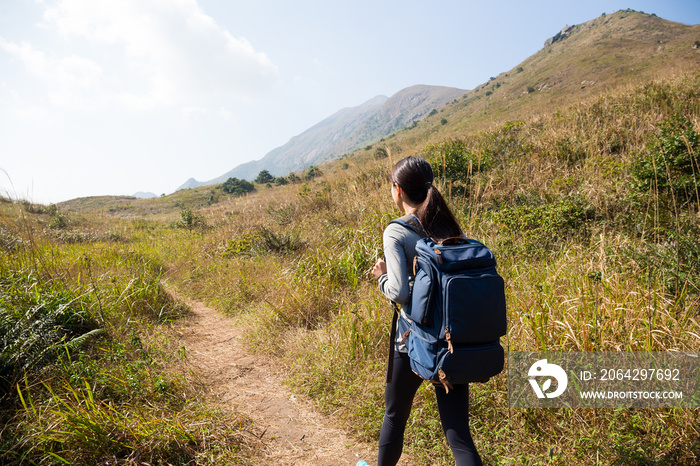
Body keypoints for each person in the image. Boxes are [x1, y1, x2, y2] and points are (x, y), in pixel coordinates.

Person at [369, 156, 482, 466]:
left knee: (395, 415)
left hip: (413, 339)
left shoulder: (396, 231)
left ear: (398, 190)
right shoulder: (445, 222)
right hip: (451, 339)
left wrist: (380, 278)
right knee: (458, 433)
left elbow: (400, 292)